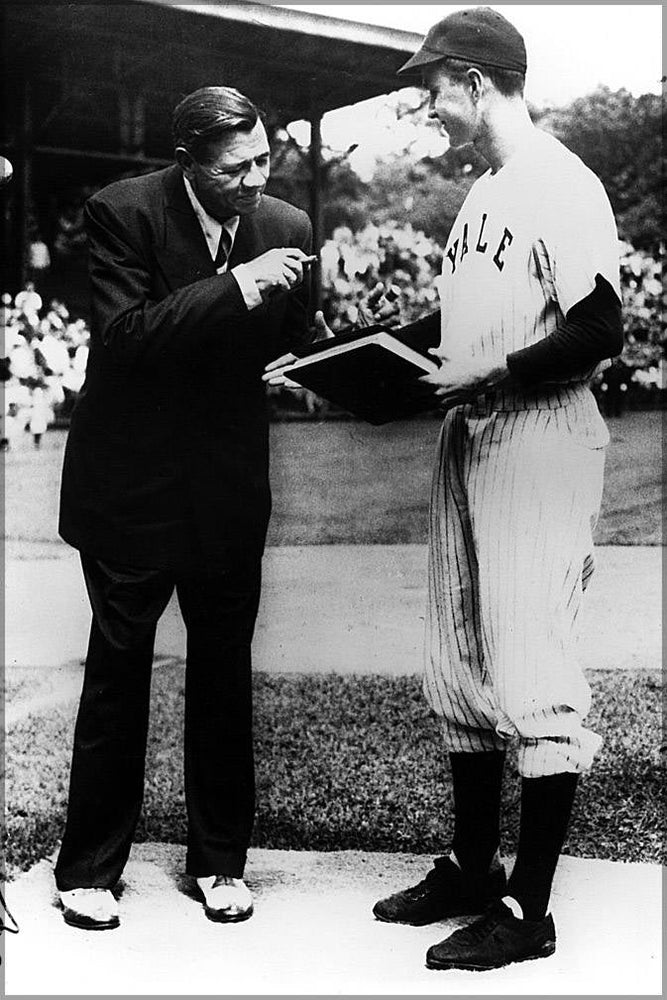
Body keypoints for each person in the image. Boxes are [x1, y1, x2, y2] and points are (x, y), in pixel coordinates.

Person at [371, 8, 623, 972]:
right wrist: (375, 352)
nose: (427, 108)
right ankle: (471, 865)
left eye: (433, 88)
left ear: (476, 81)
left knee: (531, 668)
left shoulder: (562, 183)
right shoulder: (485, 192)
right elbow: (480, 308)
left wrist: (483, 377)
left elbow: (600, 328)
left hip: (536, 436)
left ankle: (528, 911)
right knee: (459, 655)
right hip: (470, 436)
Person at [55, 86, 319, 930]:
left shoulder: (287, 226)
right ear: (188, 161)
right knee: (118, 674)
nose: (255, 180)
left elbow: (296, 338)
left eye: (263, 160)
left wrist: (323, 364)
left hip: (228, 489)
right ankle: (89, 870)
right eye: (235, 167)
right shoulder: (121, 212)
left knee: (221, 674)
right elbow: (125, 338)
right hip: (129, 491)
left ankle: (220, 861)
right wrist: (236, 286)